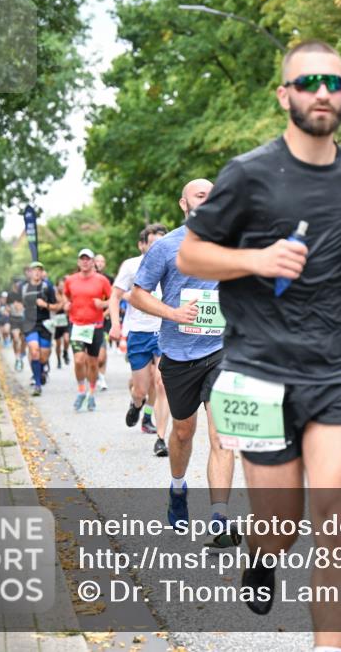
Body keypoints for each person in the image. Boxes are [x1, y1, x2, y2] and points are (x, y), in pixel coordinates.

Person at [177, 40, 341, 650]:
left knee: (337, 521)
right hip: (257, 368)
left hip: (336, 364)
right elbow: (193, 252)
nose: (322, 91)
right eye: (307, 82)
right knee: (279, 524)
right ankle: (261, 554)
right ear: (285, 95)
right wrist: (256, 258)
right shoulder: (249, 174)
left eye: (334, 82)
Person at [129, 179, 238, 546]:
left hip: (222, 351)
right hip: (177, 354)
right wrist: (173, 313)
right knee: (182, 432)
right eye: (200, 195)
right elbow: (138, 296)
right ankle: (177, 488)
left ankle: (219, 518)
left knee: (222, 435)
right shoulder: (165, 247)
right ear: (184, 203)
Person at [110, 224, 171, 456]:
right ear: (142, 244)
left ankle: (161, 438)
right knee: (141, 389)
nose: (158, 248)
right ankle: (137, 404)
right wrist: (115, 325)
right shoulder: (131, 265)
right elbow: (115, 297)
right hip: (138, 333)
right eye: (153, 243)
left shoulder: (172, 262)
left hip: (164, 330)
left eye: (162, 243)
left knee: (162, 382)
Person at [62, 248, 112, 411]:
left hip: (95, 326)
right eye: (82, 259)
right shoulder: (71, 280)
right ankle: (81, 390)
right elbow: (65, 295)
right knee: (78, 360)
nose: (84, 261)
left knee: (92, 363)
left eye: (87, 259)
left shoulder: (102, 280)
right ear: (78, 262)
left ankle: (91, 393)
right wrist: (66, 304)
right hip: (76, 325)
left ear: (92, 262)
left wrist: (103, 305)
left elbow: (113, 300)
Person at [20, 262, 60, 396]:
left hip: (45, 324)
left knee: (43, 356)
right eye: (34, 270)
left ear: (42, 272)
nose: (37, 273)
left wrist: (45, 304)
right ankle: (37, 384)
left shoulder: (47, 287)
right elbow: (17, 304)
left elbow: (57, 306)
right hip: (29, 324)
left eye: (39, 270)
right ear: (29, 272)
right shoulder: (24, 287)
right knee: (34, 351)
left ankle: (42, 370)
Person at [94, 253, 113, 390]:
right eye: (97, 261)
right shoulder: (87, 279)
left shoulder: (109, 279)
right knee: (92, 353)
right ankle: (94, 375)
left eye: (102, 261)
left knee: (102, 354)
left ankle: (102, 377)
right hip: (88, 321)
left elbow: (114, 300)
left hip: (104, 320)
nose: (99, 263)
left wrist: (105, 312)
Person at [7, 278, 26, 370]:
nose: (18, 285)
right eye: (16, 284)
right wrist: (9, 309)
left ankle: (21, 355)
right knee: (15, 339)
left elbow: (25, 306)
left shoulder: (23, 294)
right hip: (14, 319)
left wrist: (19, 306)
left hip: (23, 319)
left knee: (23, 339)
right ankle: (17, 358)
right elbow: (7, 306)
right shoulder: (10, 295)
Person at [53, 279, 71, 368]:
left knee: (67, 339)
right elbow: (55, 308)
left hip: (66, 319)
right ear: (57, 286)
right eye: (60, 285)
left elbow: (68, 306)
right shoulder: (54, 296)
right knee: (58, 343)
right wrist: (62, 304)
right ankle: (59, 360)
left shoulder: (67, 295)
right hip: (58, 320)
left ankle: (65, 352)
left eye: (63, 285)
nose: (61, 287)